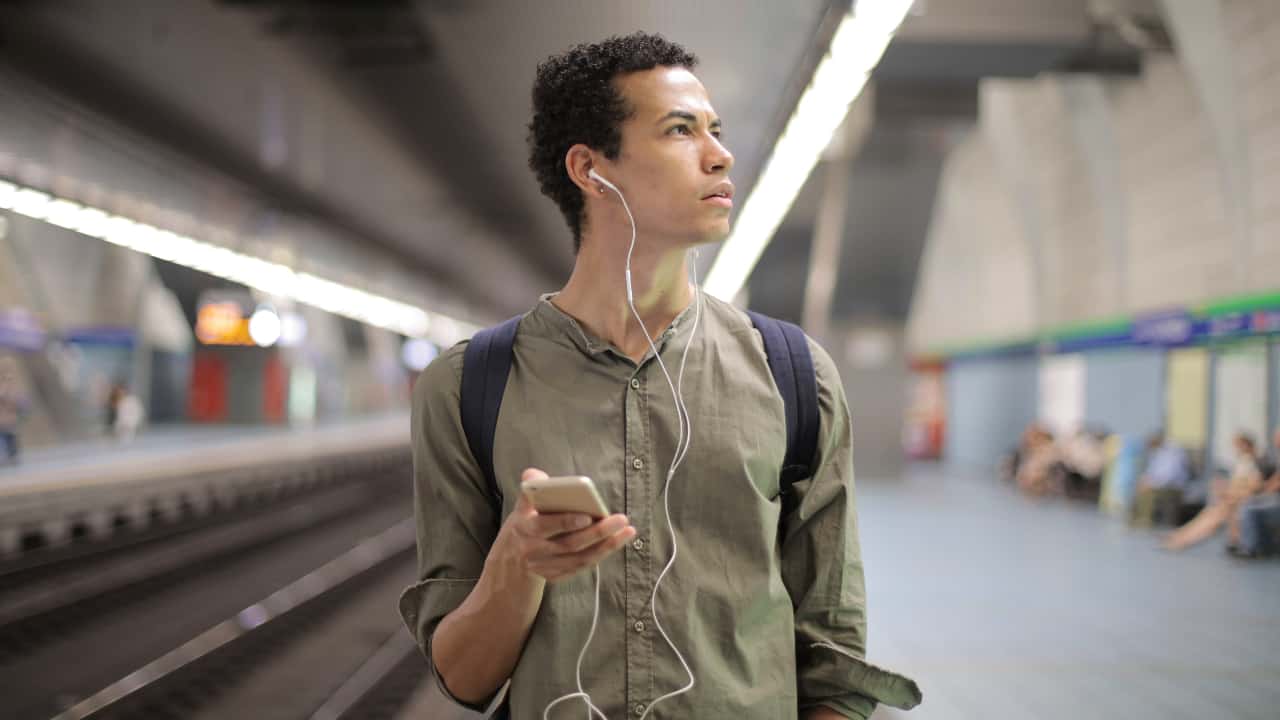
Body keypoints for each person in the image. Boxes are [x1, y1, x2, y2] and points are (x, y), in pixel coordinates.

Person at [398, 33, 919, 720]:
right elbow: (463, 678)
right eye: (680, 130)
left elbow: (834, 655)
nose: (720, 154)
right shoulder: (468, 388)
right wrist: (517, 565)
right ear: (590, 169)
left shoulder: (794, 376)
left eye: (716, 130)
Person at [1162, 432, 1262, 551]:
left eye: (1238, 445)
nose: (1235, 449)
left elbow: (1255, 486)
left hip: (1241, 499)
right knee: (1209, 513)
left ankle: (1184, 540)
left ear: (1246, 445)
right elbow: (1239, 483)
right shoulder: (1243, 461)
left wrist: (1232, 494)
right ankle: (1181, 536)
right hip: (1234, 497)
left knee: (1214, 517)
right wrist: (1226, 490)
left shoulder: (1255, 462)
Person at [1231, 428, 1280, 558]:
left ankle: (1249, 547)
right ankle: (1241, 542)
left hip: (1275, 499)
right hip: (1271, 496)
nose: (1275, 441)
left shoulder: (1260, 459)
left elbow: (1273, 484)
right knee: (1242, 504)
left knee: (1248, 507)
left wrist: (1259, 493)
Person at [1131, 432, 1191, 528]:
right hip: (1162, 485)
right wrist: (1145, 481)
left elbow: (1169, 476)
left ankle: (1145, 520)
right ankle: (1137, 520)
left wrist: (1151, 484)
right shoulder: (1159, 452)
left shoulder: (1172, 452)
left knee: (1147, 494)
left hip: (1173, 487)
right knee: (1139, 489)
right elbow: (1153, 472)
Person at [0, 356, 27, 465]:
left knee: (11, 438)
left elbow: (19, 401)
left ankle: (12, 457)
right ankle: (7, 457)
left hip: (10, 419)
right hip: (3, 419)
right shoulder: (3, 386)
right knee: (5, 438)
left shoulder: (14, 386)